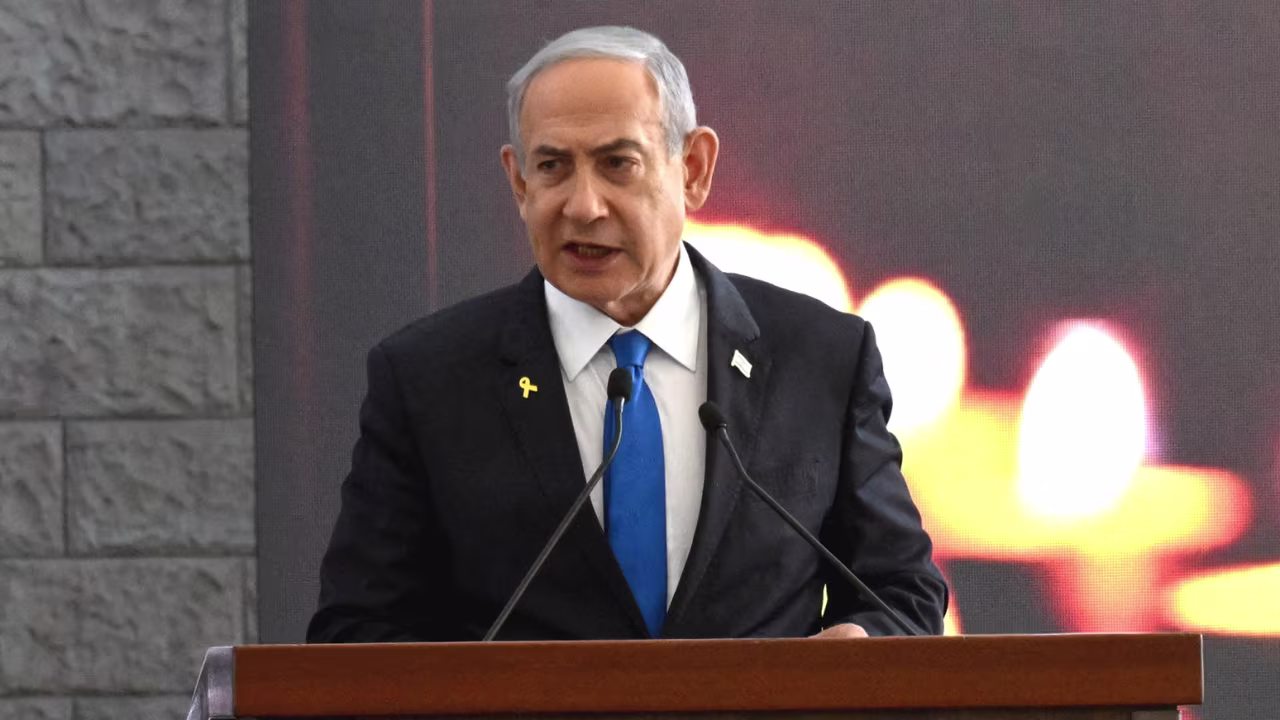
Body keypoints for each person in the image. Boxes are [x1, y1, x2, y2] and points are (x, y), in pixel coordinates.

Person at [307, 26, 947, 643]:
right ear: (519, 182)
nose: (583, 206)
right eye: (552, 167)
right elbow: (357, 629)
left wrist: (860, 644)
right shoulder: (427, 379)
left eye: (618, 164)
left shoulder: (821, 357)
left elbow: (901, 591)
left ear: (693, 169)